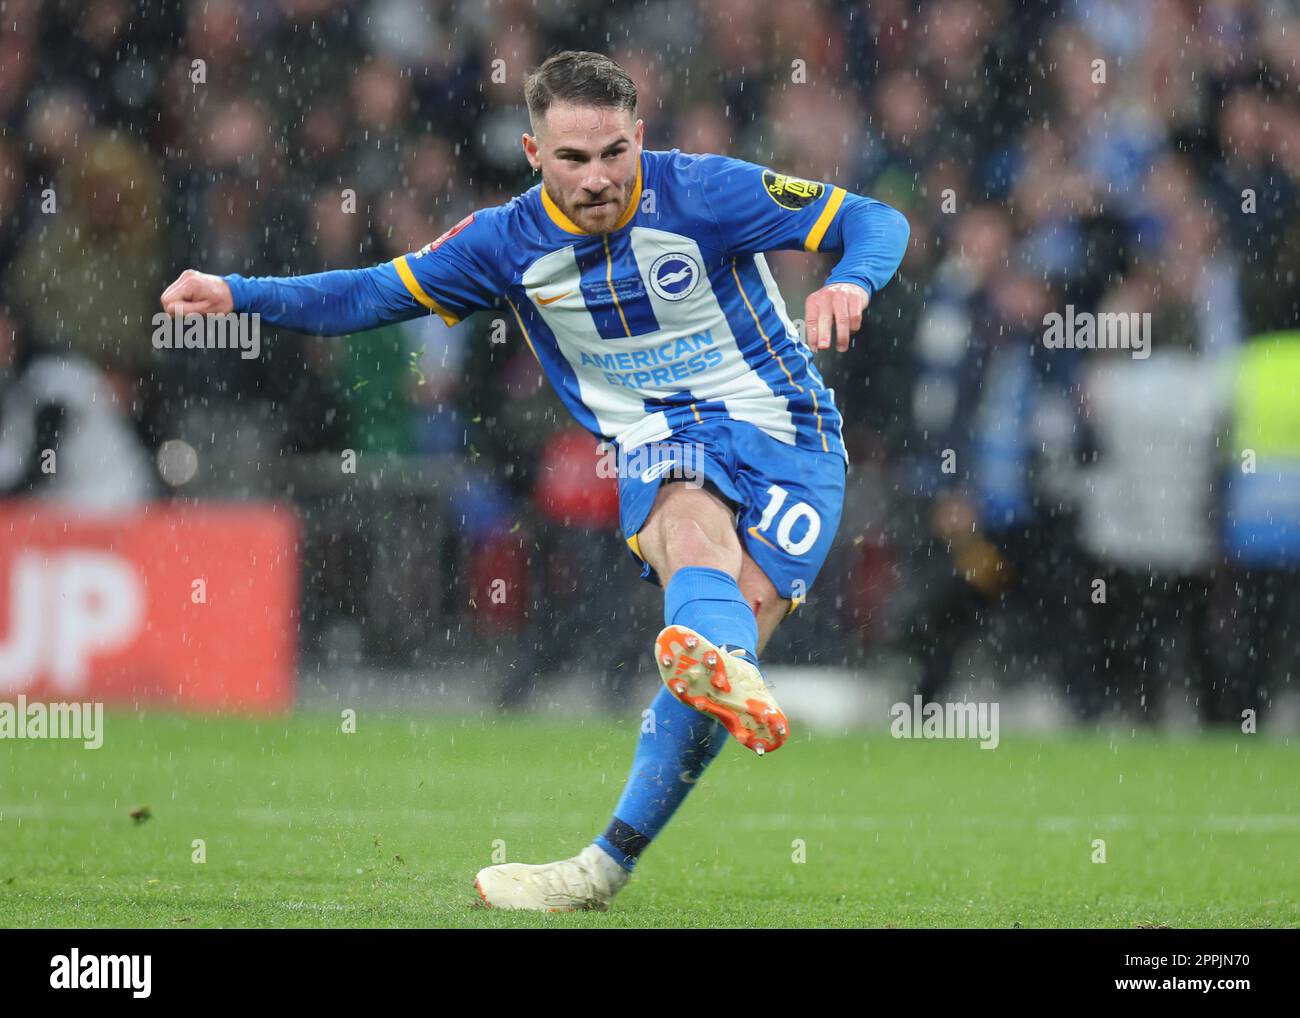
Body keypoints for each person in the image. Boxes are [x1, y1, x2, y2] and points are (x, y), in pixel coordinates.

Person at [159, 51, 909, 912]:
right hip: (663, 438)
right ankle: (717, 667)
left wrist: (849, 283)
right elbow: (370, 293)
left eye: (614, 154)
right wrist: (237, 292)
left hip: (790, 438)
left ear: (640, 140)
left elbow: (877, 221)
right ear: (532, 153)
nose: (597, 178)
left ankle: (609, 858)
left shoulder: (706, 191)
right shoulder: (503, 243)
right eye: (573, 159)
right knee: (686, 523)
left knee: (704, 686)